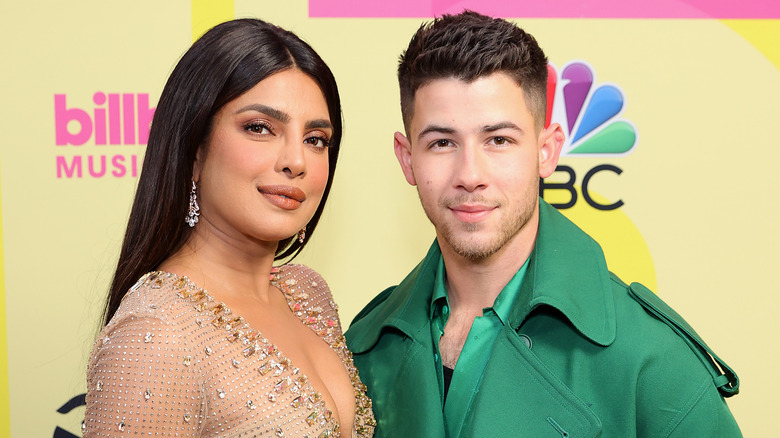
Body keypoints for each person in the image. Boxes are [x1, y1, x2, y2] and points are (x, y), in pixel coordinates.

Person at [345, 11, 740, 437]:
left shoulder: (653, 362)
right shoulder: (362, 349)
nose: (470, 173)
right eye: (442, 143)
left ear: (546, 151)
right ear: (407, 159)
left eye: (499, 140)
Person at [84, 18, 375, 437]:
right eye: (260, 128)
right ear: (194, 150)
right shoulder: (155, 335)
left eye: (316, 139)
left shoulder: (307, 293)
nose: (297, 160)